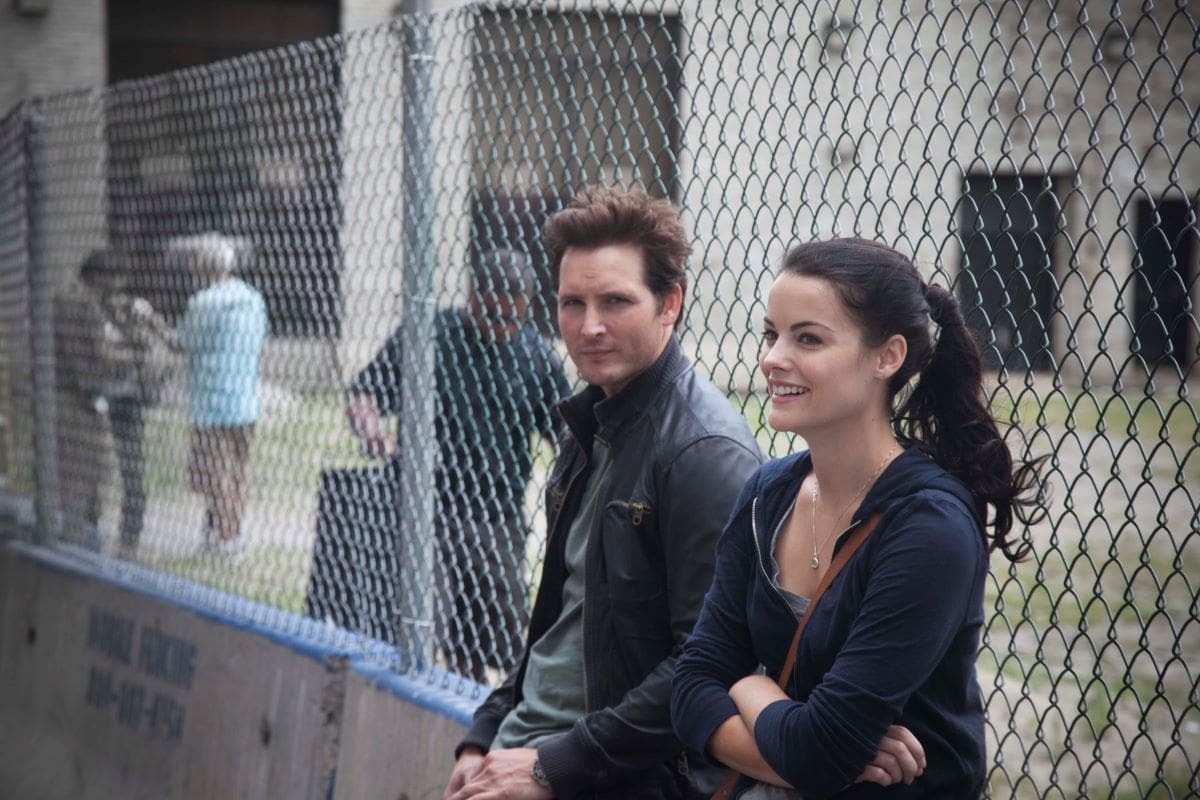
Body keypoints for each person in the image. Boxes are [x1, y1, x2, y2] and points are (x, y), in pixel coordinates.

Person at [671, 238, 1046, 798]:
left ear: (886, 356)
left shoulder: (929, 527)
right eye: (771, 334)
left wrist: (749, 688)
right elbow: (689, 691)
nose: (772, 358)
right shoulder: (768, 493)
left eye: (808, 338)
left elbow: (818, 749)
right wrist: (801, 744)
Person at [443, 187, 764, 800]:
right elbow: (562, 615)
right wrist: (484, 732)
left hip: (609, 776)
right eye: (573, 303)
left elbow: (706, 663)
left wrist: (553, 767)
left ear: (670, 303)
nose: (589, 326)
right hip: (524, 749)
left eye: (616, 301)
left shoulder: (703, 452)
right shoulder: (590, 421)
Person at [345, 247, 571, 681]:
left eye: (513, 318)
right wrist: (373, 431)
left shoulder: (535, 354)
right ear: (472, 295)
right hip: (424, 508)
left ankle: (476, 695)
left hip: (497, 513)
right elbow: (364, 393)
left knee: (497, 636)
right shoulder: (431, 336)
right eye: (493, 315)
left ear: (526, 306)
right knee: (425, 623)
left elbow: (562, 433)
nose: (502, 328)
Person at [174, 232, 268, 559]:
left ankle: (226, 538)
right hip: (245, 397)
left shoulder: (203, 303)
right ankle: (233, 531)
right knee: (240, 468)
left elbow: (183, 342)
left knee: (216, 473)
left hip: (211, 400)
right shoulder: (253, 298)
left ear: (202, 267)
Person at [88, 251, 178, 559]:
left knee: (129, 467)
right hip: (108, 393)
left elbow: (168, 342)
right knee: (109, 465)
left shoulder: (132, 308)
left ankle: (127, 535)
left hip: (124, 395)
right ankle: (103, 529)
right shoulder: (93, 309)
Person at [52, 250, 116, 550]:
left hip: (67, 396)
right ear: (101, 277)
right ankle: (79, 538)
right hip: (76, 400)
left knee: (77, 471)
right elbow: (91, 359)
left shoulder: (64, 298)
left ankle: (79, 534)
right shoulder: (79, 302)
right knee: (82, 472)